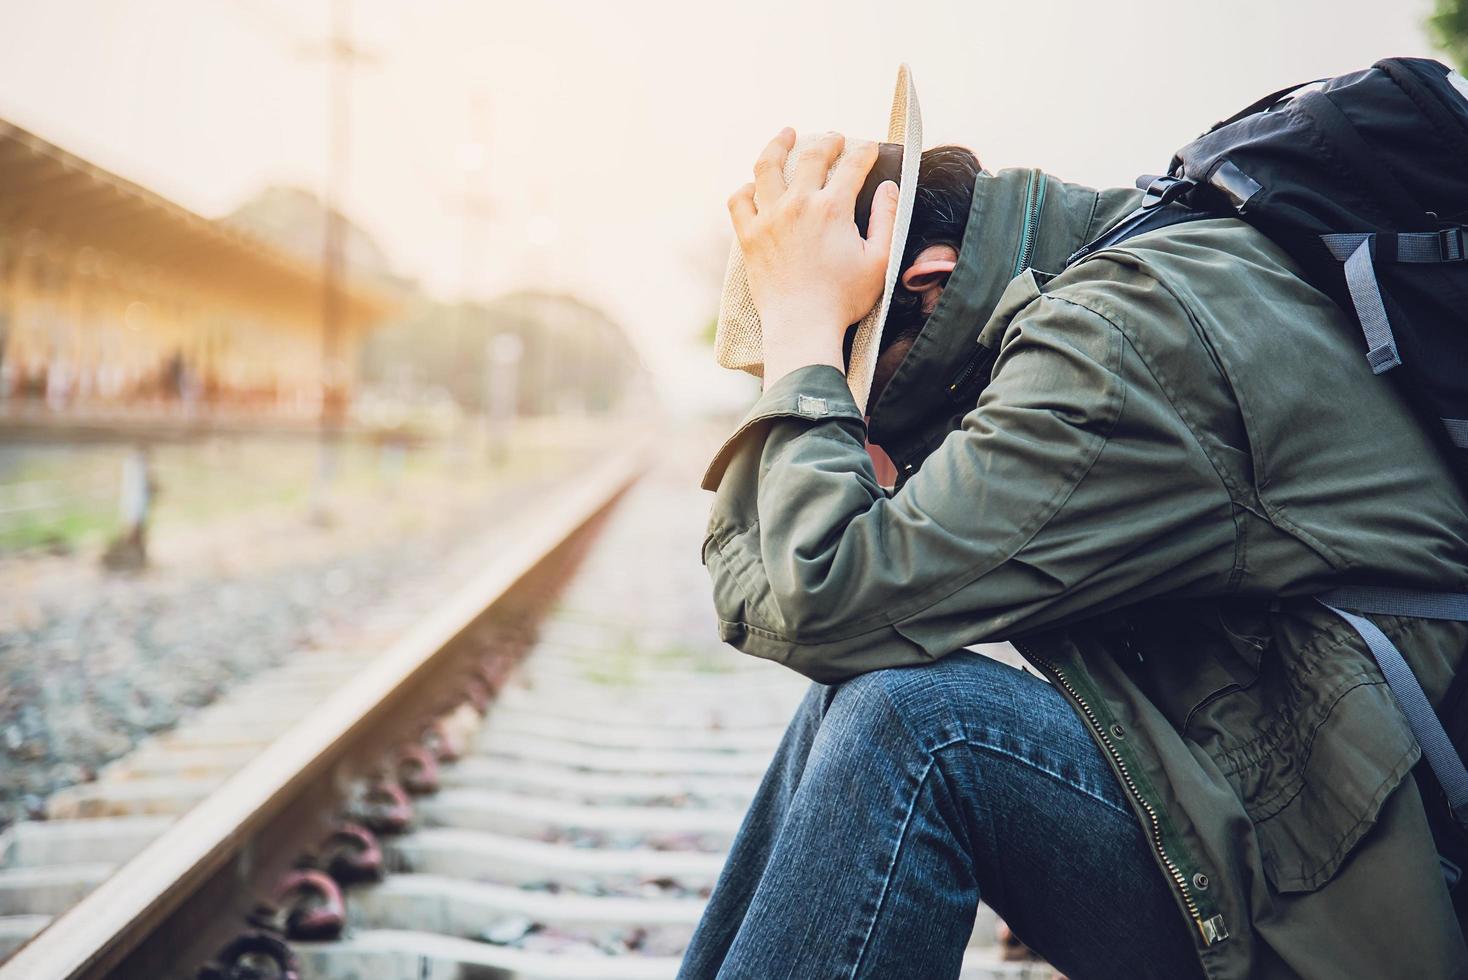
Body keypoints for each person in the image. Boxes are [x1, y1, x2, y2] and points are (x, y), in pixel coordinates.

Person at [681, 90, 1468, 980]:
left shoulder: (1117, 341)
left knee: (919, 728)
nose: (866, 434)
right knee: (852, 701)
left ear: (929, 285)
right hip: (1302, 816)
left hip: (1375, 900)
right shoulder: (1130, 273)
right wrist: (803, 352)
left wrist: (801, 344)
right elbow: (796, 596)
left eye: (863, 382)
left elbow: (817, 596)